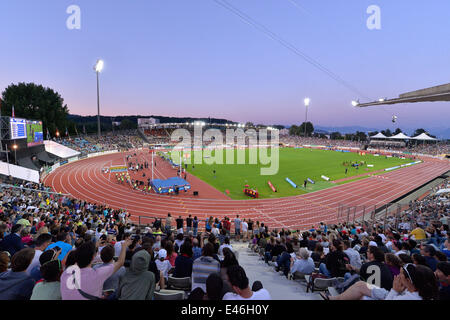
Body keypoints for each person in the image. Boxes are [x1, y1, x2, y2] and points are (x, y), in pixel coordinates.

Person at [60, 238, 131, 300]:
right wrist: (124, 246)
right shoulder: (97, 274)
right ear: (93, 258)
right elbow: (120, 262)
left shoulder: (65, 273)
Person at [323, 264, 439, 300]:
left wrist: (394, 290)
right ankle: (335, 299)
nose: (398, 276)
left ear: (409, 280)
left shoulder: (408, 298)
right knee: (361, 285)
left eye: (401, 275)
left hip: (392, 295)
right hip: (392, 294)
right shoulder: (418, 291)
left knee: (362, 296)